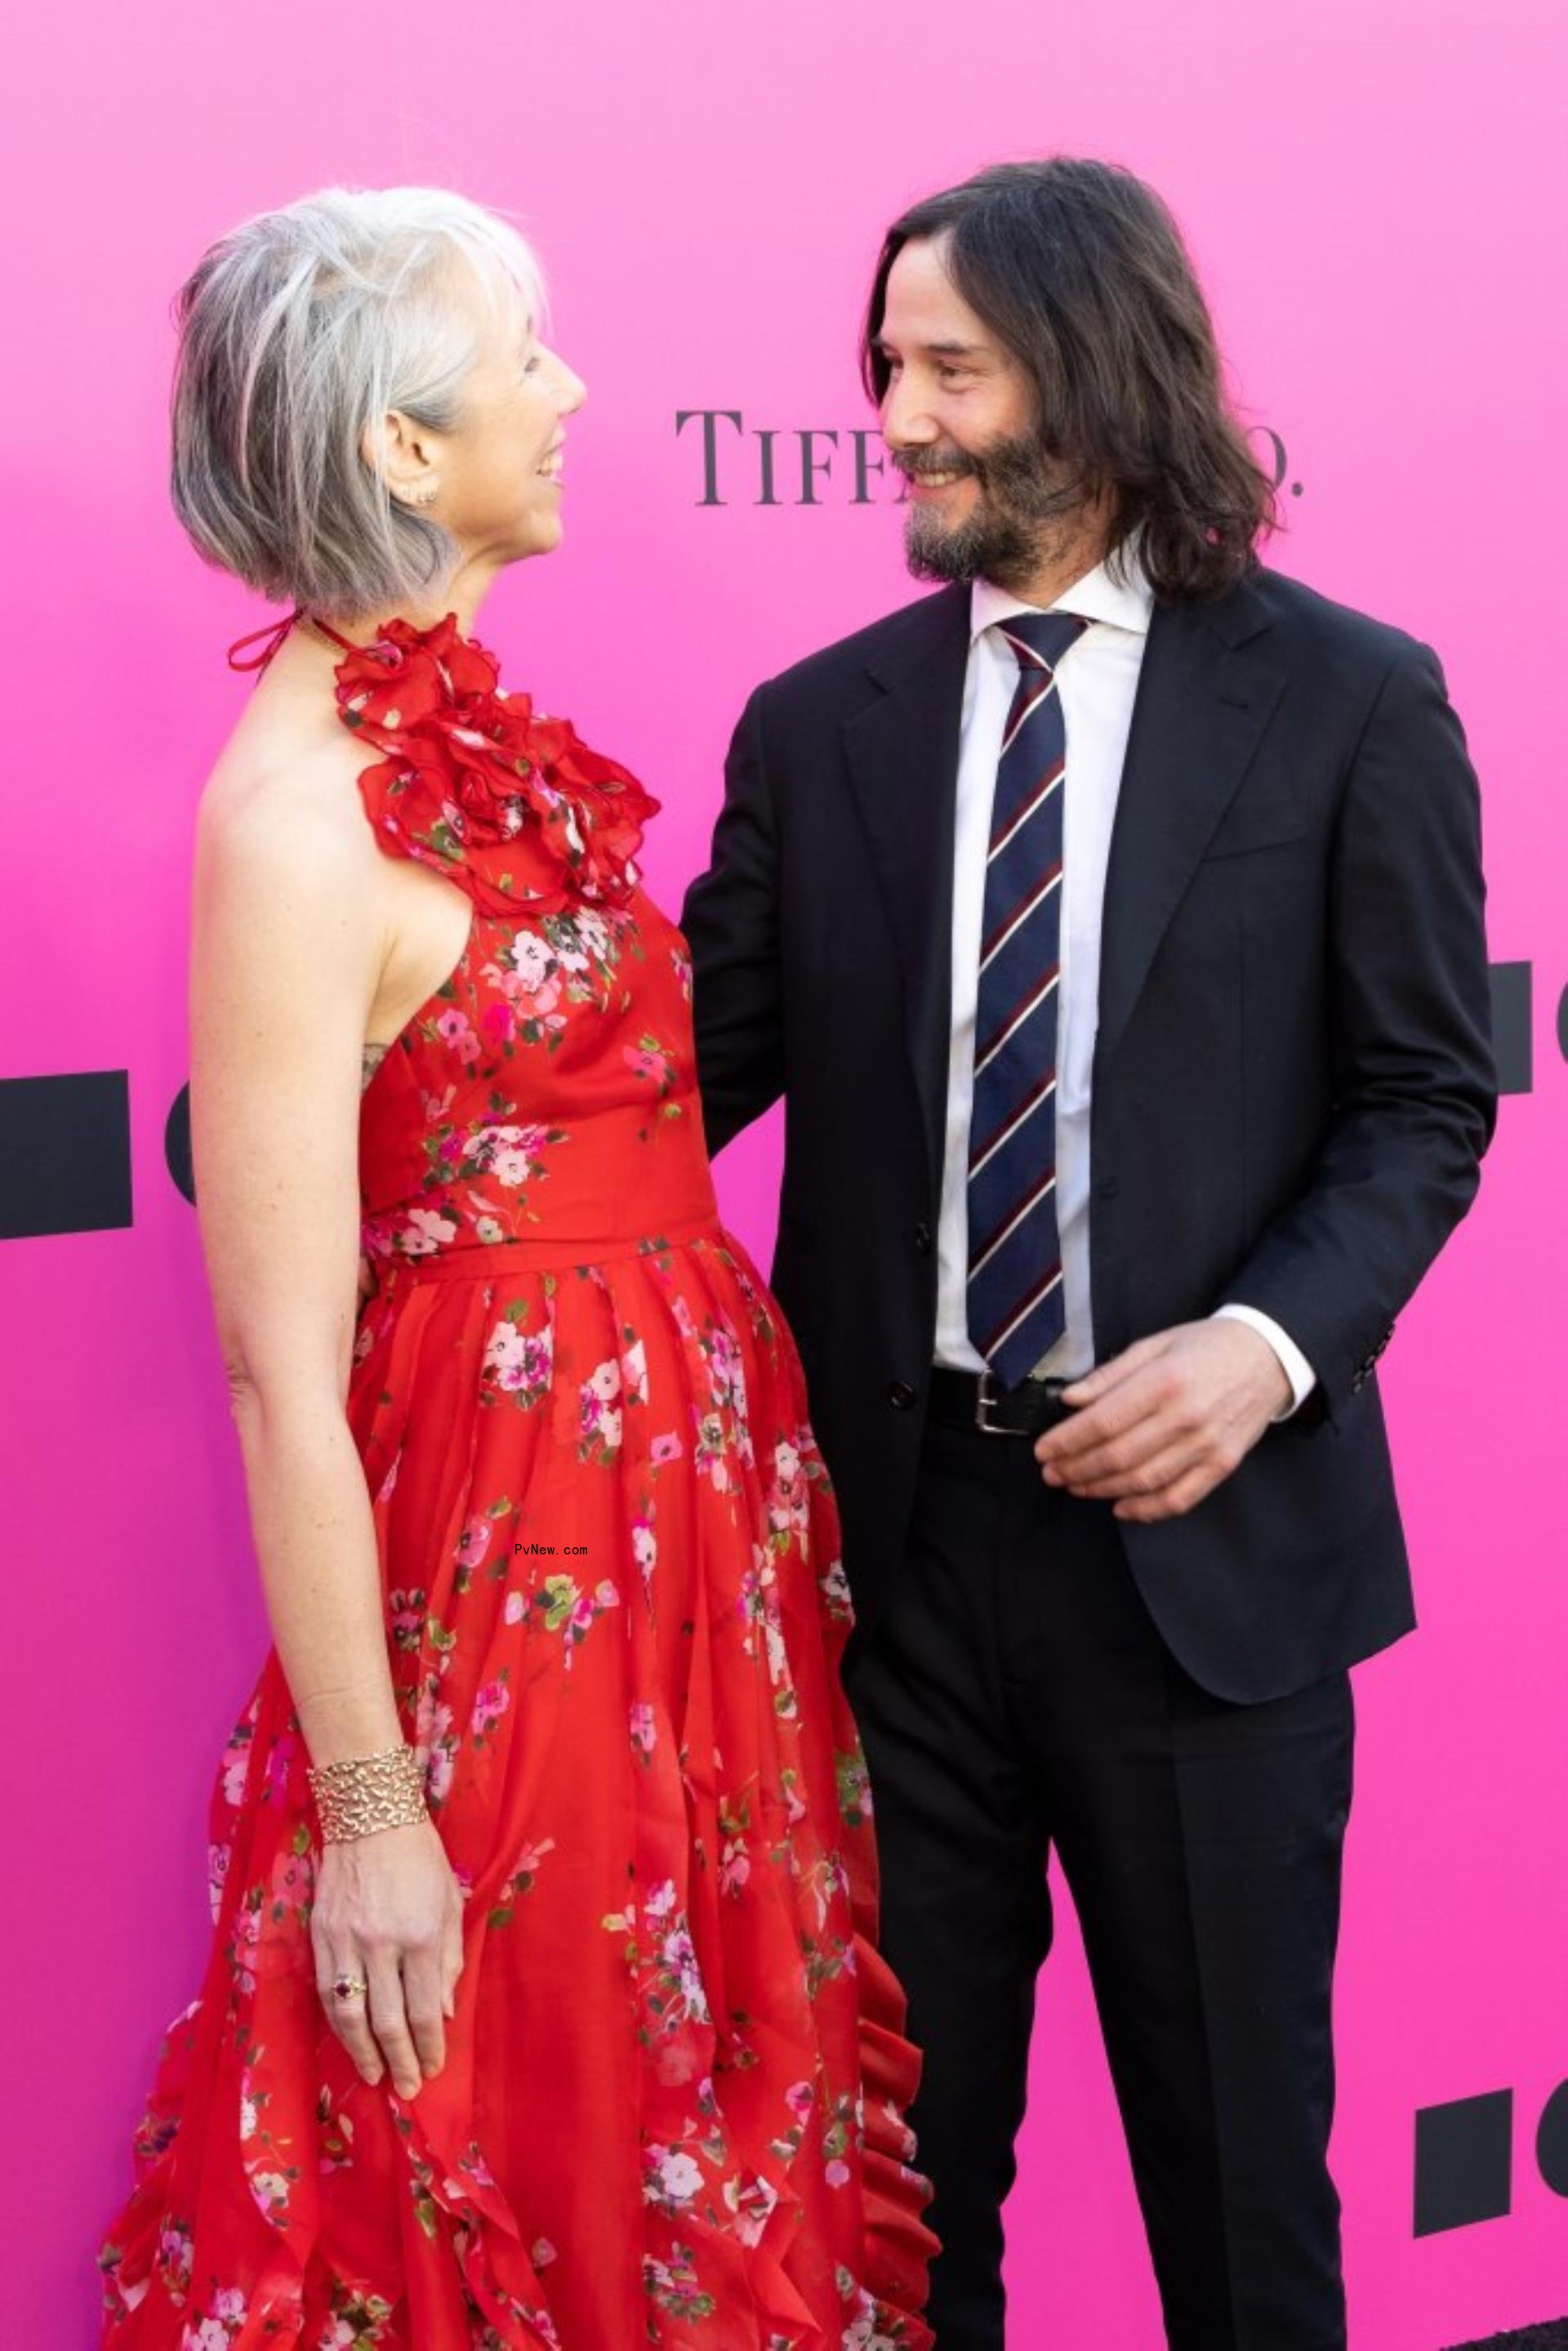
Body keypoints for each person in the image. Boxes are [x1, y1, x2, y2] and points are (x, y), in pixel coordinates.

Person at [97, 185, 934, 2351]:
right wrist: (373, 1817)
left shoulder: (473, 740)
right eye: (524, 352)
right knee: (536, 2140)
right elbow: (284, 1375)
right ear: (399, 445)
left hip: (689, 1591)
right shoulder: (292, 831)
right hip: (510, 1606)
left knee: (691, 2128)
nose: (568, 396)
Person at [679, 157, 1495, 2350]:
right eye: (885, 370)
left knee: (1242, 2209)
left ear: (1098, 368)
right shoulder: (817, 723)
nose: (903, 418)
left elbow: (1427, 1101)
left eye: (951, 365)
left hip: (1206, 1571)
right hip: (898, 1569)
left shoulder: (1348, 704)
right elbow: (664, 1091)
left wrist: (1261, 1345)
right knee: (897, 2217)